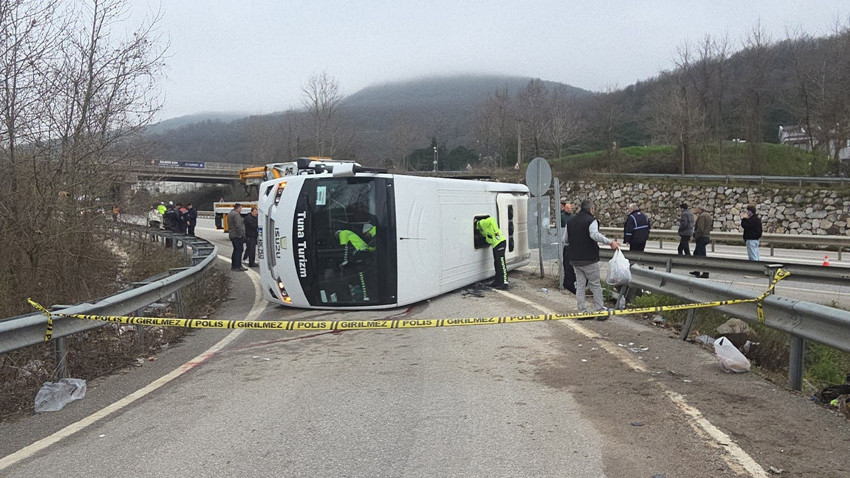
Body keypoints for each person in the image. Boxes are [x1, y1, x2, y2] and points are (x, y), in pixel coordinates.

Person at [565, 200, 619, 318]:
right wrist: (610, 242)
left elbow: (566, 240)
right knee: (595, 284)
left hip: (575, 259)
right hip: (589, 258)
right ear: (591, 209)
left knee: (580, 285)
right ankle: (600, 310)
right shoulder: (591, 220)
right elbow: (594, 235)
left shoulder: (570, 221)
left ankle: (582, 311)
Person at [475, 215, 508, 289]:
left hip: (500, 242)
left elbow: (492, 220)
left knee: (501, 263)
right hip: (495, 245)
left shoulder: (481, 223)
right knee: (497, 263)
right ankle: (497, 281)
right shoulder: (482, 231)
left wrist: (496, 232)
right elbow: (488, 237)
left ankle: (504, 282)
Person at [691, 205, 713, 278]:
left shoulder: (702, 216)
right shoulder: (708, 215)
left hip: (701, 237)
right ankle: (697, 270)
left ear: (699, 209)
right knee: (696, 253)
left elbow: (700, 228)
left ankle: (705, 272)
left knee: (701, 255)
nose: (695, 209)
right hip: (706, 236)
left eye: (696, 208)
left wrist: (696, 236)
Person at [560, 200, 577, 293]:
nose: (570, 210)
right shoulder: (562, 216)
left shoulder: (573, 217)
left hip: (570, 242)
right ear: (565, 208)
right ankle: (567, 283)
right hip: (566, 242)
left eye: (571, 208)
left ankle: (570, 284)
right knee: (567, 266)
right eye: (568, 208)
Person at [228, 203, 247, 271]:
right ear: (238, 208)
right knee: (238, 251)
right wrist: (241, 235)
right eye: (240, 208)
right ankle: (237, 266)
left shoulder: (230, 213)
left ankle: (234, 266)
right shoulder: (236, 215)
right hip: (237, 235)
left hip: (232, 235)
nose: (241, 210)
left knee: (236, 250)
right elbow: (238, 225)